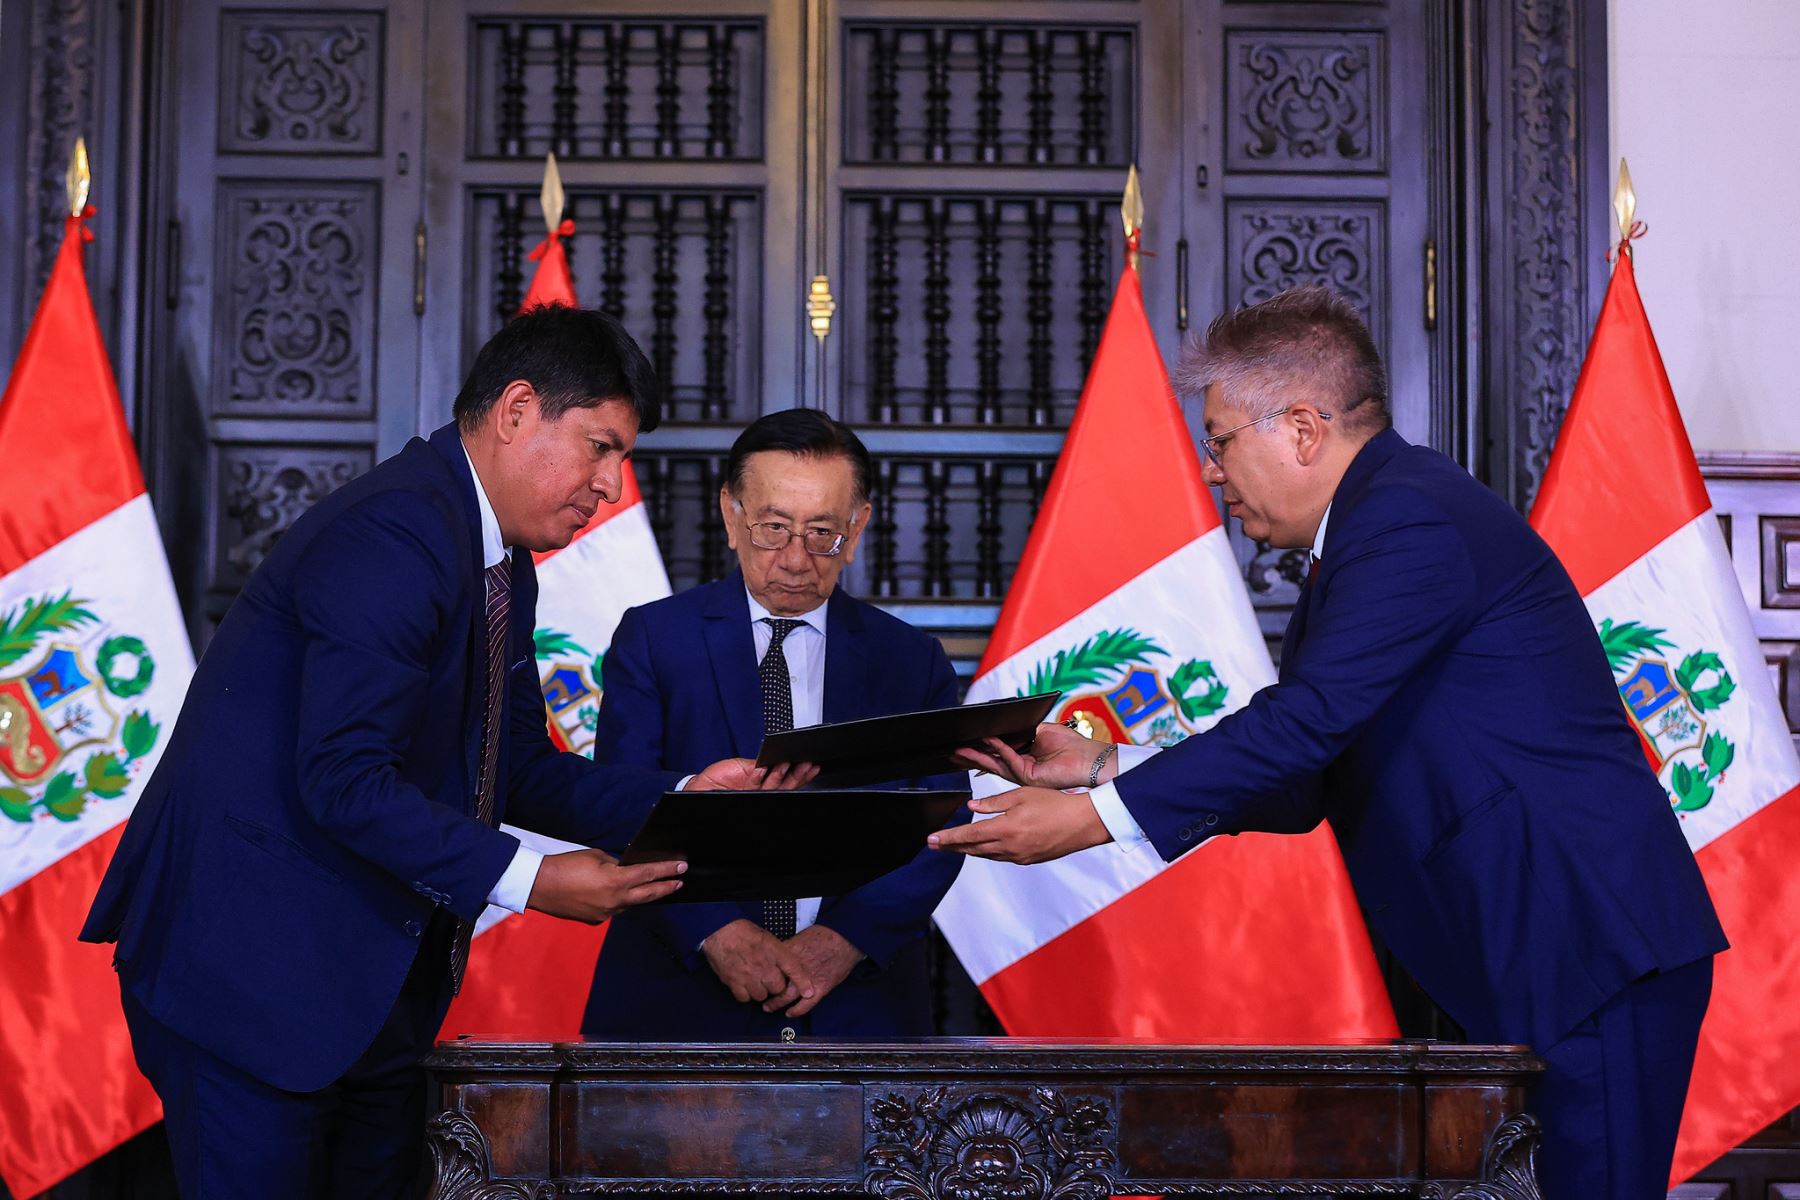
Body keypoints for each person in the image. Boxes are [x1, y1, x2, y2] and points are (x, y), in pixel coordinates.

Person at [934, 286, 1727, 1200]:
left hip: (1583, 943)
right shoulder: (1368, 528)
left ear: (1302, 428)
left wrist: (1094, 823)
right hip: (1526, 944)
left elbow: (1303, 724)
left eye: (1222, 442)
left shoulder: (1408, 519)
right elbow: (1312, 774)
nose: (1213, 473)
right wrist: (1104, 766)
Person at [79, 306, 807, 1198]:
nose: (612, 487)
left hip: (371, 992)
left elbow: (517, 766)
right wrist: (537, 882)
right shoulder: (396, 533)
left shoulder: (501, 557)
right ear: (516, 410)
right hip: (254, 980)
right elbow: (343, 780)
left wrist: (687, 797)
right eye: (600, 448)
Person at [581, 408, 968, 1041]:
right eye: (773, 528)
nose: (795, 558)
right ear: (731, 516)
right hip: (677, 1007)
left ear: (859, 526)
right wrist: (718, 933)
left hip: (858, 1010)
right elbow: (625, 809)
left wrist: (842, 942)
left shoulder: (908, 659)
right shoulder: (656, 640)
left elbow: (943, 821)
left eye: (823, 533)